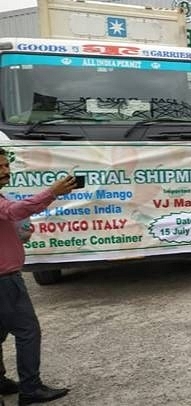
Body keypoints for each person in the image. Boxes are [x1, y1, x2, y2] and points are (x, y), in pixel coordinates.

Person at [0, 147, 76, 405]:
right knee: (28, 331)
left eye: (5, 166)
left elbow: (9, 217)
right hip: (4, 280)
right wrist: (52, 192)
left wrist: (18, 234)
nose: (5, 171)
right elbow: (13, 211)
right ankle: (30, 388)